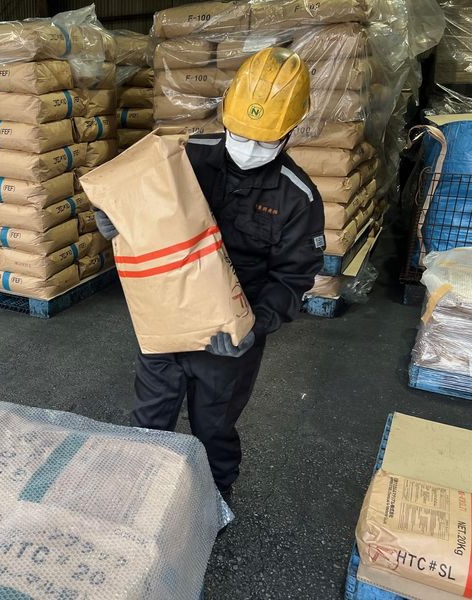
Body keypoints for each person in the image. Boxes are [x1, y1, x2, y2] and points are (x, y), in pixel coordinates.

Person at [95, 47, 325, 499]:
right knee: (148, 419)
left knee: (213, 428)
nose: (248, 148)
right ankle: (142, 502)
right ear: (224, 115)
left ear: (290, 132)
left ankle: (213, 503)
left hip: (226, 338)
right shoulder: (185, 155)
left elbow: (293, 279)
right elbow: (141, 205)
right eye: (239, 134)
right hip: (165, 317)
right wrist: (114, 220)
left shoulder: (297, 198)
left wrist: (252, 327)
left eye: (264, 141)